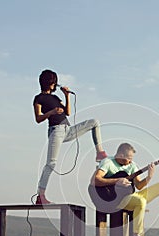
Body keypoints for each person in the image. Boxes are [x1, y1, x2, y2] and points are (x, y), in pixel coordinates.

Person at [33, 69, 107, 204]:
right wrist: (52, 112)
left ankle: (100, 153)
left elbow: (67, 112)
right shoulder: (39, 98)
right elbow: (38, 118)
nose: (54, 84)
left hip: (68, 130)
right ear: (48, 82)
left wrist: (67, 96)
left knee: (94, 122)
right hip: (56, 131)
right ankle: (41, 196)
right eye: (53, 81)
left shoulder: (55, 98)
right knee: (51, 163)